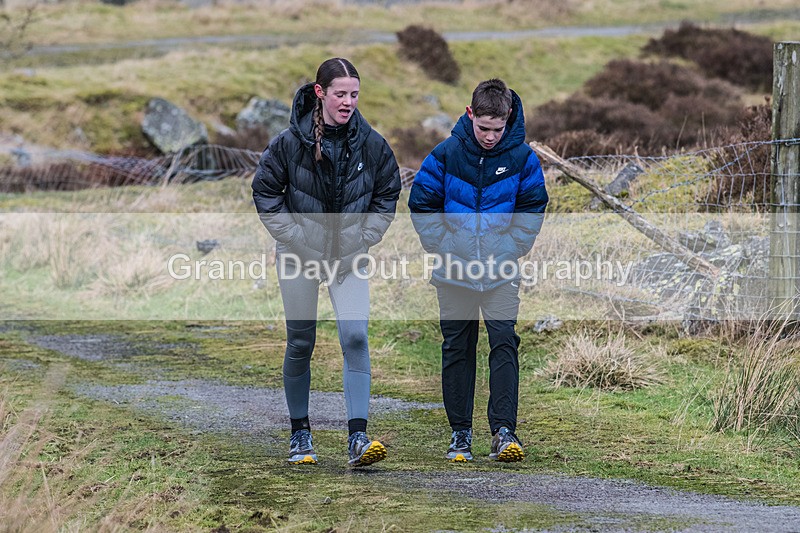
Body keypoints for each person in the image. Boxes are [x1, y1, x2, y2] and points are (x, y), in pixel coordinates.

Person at [252, 58, 401, 467]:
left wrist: (362, 239)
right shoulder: (288, 143)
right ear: (320, 93)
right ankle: (300, 435)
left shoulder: (372, 144)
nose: (349, 101)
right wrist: (297, 240)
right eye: (340, 94)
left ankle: (358, 439)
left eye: (354, 94)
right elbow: (266, 193)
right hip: (298, 258)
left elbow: (388, 194)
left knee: (356, 337)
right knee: (301, 341)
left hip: (349, 259)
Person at [409, 78, 548, 462]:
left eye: (497, 129)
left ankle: (504, 432)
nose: (489, 136)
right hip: (453, 274)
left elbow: (533, 206)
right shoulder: (445, 154)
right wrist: (444, 245)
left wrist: (511, 248)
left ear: (508, 119)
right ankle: (460, 435)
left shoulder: (523, 159)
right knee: (458, 348)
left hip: (501, 273)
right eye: (483, 128)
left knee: (504, 342)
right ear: (470, 115)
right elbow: (421, 203)